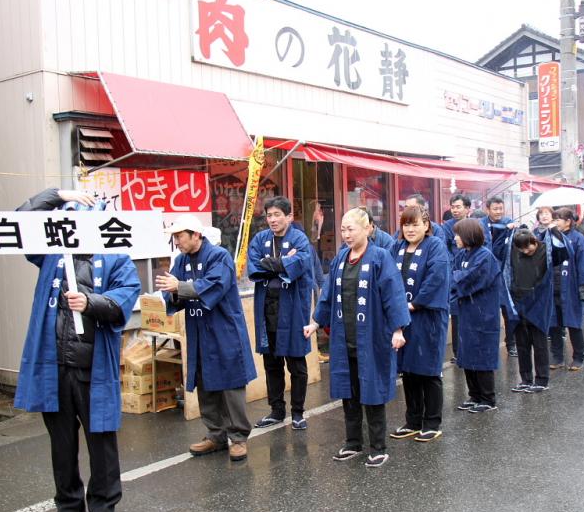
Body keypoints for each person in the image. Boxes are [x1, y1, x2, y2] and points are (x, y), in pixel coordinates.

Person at [14, 188, 141, 512]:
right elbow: (21, 221)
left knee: (101, 441)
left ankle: (103, 507)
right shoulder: (51, 254)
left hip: (91, 368)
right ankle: (68, 507)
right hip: (54, 366)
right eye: (68, 219)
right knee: (62, 443)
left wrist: (90, 302)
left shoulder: (115, 257)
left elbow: (125, 297)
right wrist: (57, 194)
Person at [304, 208, 410, 468]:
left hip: (371, 339)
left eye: (351, 229)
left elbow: (393, 295)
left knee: (371, 392)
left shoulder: (380, 257)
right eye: (343, 229)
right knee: (348, 393)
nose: (346, 234)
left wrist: (398, 329)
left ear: (367, 229)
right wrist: (316, 322)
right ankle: (353, 442)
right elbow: (328, 295)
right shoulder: (341, 258)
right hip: (344, 340)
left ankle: (378, 447)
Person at [157, 215, 257, 462]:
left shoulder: (219, 256)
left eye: (180, 236)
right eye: (174, 237)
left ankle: (238, 437)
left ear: (196, 235)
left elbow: (214, 286)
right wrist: (173, 291)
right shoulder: (181, 260)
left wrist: (179, 287)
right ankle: (216, 434)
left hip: (224, 330)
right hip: (199, 330)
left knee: (231, 385)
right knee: (205, 382)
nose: (177, 241)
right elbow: (171, 292)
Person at [247, 197, 314, 430]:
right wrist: (283, 262)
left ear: (289, 217)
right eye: (269, 215)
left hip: (292, 309)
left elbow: (300, 263)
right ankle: (276, 410)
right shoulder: (260, 239)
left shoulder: (299, 239)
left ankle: (298, 412)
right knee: (271, 362)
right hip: (267, 308)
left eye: (277, 215)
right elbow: (254, 266)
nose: (273, 220)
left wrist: (271, 263)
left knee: (296, 362)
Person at [388, 207, 450, 442]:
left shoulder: (435, 246)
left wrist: (414, 304)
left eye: (415, 224)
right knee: (409, 370)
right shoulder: (396, 247)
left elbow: (436, 279)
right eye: (406, 224)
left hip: (427, 316)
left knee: (428, 370)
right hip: (403, 317)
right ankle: (413, 421)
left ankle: (432, 422)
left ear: (426, 225)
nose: (410, 229)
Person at [451, 218, 505, 412]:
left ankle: (488, 399)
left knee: (482, 355)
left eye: (458, 235)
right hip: (467, 312)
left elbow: (468, 279)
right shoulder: (462, 254)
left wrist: (457, 277)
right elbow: (453, 275)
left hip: (483, 314)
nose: (455, 238)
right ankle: (474, 395)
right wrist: (457, 277)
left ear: (468, 235)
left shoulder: (485, 256)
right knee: (467, 354)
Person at [505, 229, 554, 393]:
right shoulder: (513, 251)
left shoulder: (546, 249)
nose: (525, 251)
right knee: (522, 343)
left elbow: (563, 251)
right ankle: (526, 379)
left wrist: (554, 231)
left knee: (539, 343)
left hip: (538, 301)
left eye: (528, 247)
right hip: (518, 300)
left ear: (534, 241)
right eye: (522, 249)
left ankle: (542, 379)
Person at [549, 208, 584, 371]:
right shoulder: (551, 237)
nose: (556, 222)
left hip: (570, 286)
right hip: (553, 285)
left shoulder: (578, 239)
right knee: (554, 324)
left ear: (568, 221)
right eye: (555, 219)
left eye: (558, 219)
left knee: (574, 323)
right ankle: (557, 357)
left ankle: (578, 356)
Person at [479, 196, 519, 357]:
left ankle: (511, 343)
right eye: (495, 209)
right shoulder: (481, 224)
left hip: (505, 273)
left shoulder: (509, 222)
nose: (498, 212)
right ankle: (489, 344)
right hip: (487, 273)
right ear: (487, 209)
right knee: (488, 312)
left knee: (508, 310)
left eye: (500, 208)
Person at [441, 193, 471, 362]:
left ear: (467, 208)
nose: (455, 210)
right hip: (454, 274)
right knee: (457, 314)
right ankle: (458, 352)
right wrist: (455, 268)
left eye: (458, 207)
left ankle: (471, 349)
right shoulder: (447, 226)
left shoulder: (476, 225)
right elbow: (445, 249)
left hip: (472, 272)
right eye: (452, 207)